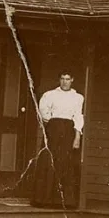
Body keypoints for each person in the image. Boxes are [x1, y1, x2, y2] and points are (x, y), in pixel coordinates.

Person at [31, 72, 85, 208]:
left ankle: (64, 201)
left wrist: (77, 137)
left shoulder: (78, 97)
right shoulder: (50, 95)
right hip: (53, 130)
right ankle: (44, 199)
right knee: (49, 161)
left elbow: (78, 116)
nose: (64, 82)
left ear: (72, 80)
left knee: (65, 162)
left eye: (67, 79)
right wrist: (54, 124)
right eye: (62, 78)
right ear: (59, 79)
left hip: (69, 131)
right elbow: (43, 112)